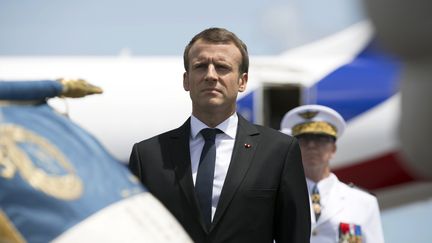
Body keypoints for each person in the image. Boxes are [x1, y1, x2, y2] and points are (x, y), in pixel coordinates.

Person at [128, 27, 311, 243]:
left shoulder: (278, 151)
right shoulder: (148, 156)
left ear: (242, 81)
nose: (210, 75)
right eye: (200, 66)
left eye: (222, 67)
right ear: (186, 80)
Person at [280, 104, 385, 243]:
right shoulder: (277, 199)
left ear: (333, 149)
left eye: (320, 139)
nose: (311, 145)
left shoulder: (364, 203)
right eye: (303, 140)